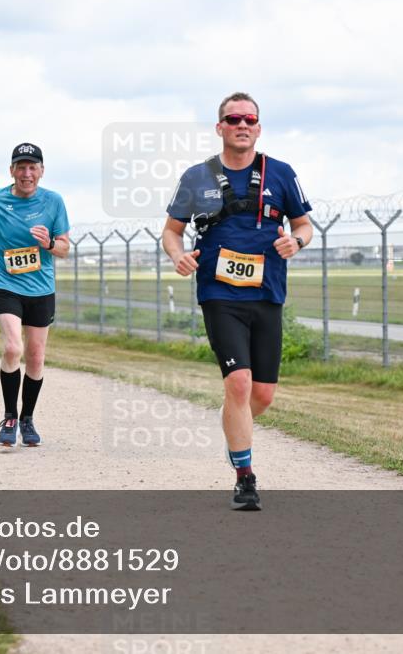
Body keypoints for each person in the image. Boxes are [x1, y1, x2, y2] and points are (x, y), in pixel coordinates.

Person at [162, 92, 313, 511]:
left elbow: (304, 224)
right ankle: (245, 477)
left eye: (249, 119)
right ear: (220, 127)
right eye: (233, 119)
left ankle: (235, 430)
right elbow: (171, 231)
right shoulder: (197, 177)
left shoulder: (281, 173)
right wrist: (178, 256)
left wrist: (295, 241)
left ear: (259, 128)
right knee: (239, 383)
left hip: (267, 292)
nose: (241, 125)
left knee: (261, 396)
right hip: (219, 291)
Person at [0, 143, 71, 448]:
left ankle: (28, 419)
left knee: (36, 357)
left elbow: (65, 249)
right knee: (13, 348)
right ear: (12, 170)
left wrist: (50, 243)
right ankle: (10, 417)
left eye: (32, 167)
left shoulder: (54, 202)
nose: (26, 173)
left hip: (42, 288)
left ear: (41, 171)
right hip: (6, 283)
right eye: (21, 167)